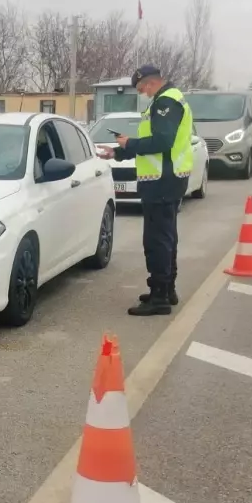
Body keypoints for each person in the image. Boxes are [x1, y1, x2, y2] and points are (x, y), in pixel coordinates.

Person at [97, 65, 193, 316]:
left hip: (162, 179)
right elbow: (155, 141)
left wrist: (130, 143)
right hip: (167, 178)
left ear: (150, 84)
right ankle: (166, 289)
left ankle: (160, 297)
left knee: (157, 240)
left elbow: (162, 141)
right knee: (166, 237)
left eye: (141, 89)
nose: (143, 94)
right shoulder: (168, 100)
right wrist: (119, 152)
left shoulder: (166, 103)